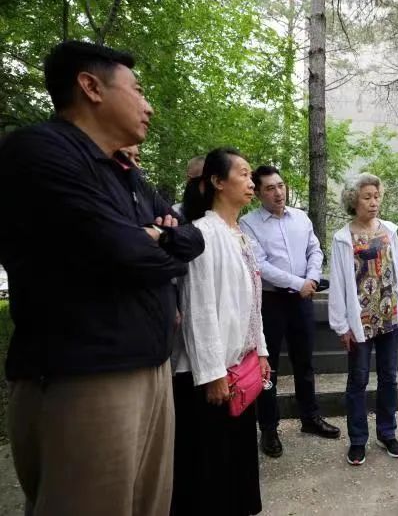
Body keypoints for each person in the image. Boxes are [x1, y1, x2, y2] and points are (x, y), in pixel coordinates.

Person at [0, 40, 204, 515]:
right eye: (137, 90)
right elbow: (123, 252)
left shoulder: (122, 171)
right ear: (91, 87)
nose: (148, 105)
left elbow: (190, 240)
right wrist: (153, 240)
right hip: (86, 377)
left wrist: (156, 238)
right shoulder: (39, 152)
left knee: (149, 506)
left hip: (150, 366)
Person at [171, 147, 270, 516]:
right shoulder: (202, 234)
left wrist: (259, 350)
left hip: (239, 372)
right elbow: (199, 309)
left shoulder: (238, 233)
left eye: (250, 175)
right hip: (210, 377)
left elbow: (251, 299)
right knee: (207, 469)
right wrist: (212, 375)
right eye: (242, 174)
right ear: (216, 182)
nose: (251, 182)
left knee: (237, 462)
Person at [240, 165, 340, 458]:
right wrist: (299, 283)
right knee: (267, 368)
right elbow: (259, 265)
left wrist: (309, 279)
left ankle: (310, 417)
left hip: (301, 301)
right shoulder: (248, 224)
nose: (278, 192)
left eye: (280, 186)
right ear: (258, 193)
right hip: (270, 302)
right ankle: (269, 429)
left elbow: (315, 249)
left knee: (305, 360)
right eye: (270, 188)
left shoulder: (301, 217)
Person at [328, 173, 398, 466]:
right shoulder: (342, 238)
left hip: (389, 315)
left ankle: (387, 433)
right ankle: (357, 439)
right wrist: (341, 325)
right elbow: (339, 284)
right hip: (360, 321)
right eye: (367, 197)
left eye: (376, 196)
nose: (374, 202)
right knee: (358, 380)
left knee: (389, 378)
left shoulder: (389, 230)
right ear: (354, 200)